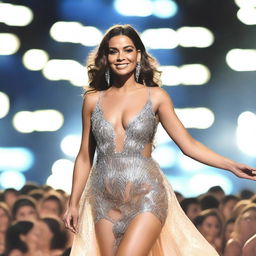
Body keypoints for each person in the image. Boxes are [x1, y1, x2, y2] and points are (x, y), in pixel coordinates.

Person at [63, 24, 256, 256]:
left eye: (128, 50)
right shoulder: (92, 101)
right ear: (105, 56)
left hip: (146, 195)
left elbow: (188, 145)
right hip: (103, 198)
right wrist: (73, 202)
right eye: (113, 51)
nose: (121, 56)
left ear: (139, 54)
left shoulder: (156, 96)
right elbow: (85, 155)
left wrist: (231, 165)